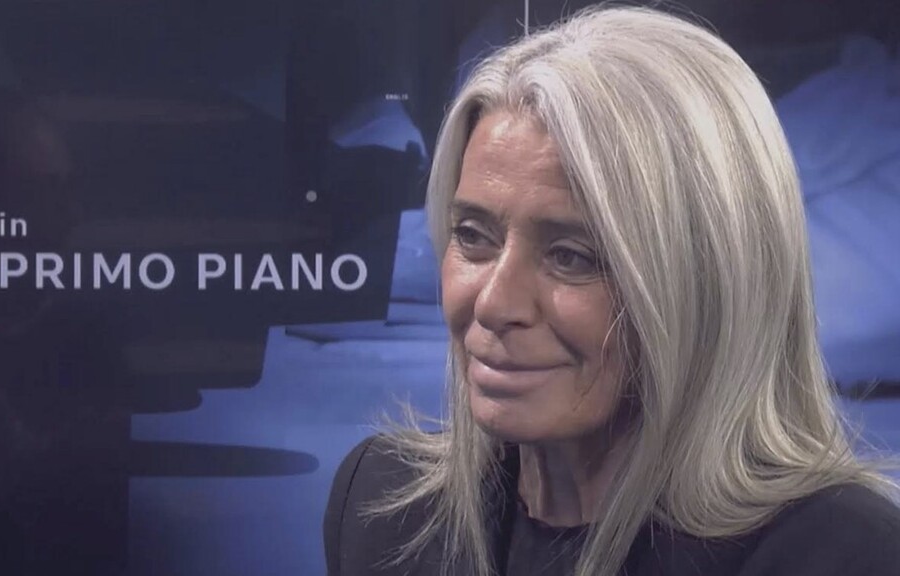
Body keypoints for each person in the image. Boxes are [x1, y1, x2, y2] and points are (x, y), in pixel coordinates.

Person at [323, 6, 900, 576]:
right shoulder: (382, 511)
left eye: (570, 256)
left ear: (704, 285)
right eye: (473, 236)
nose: (494, 304)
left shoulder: (840, 554)